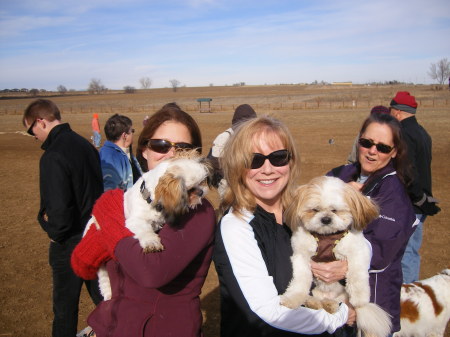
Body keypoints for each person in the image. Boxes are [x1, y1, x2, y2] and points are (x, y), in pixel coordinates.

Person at [71, 103, 216, 337]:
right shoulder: (133, 197)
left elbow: (151, 272)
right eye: (160, 145)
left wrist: (109, 220)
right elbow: (84, 262)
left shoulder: (197, 211)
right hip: (109, 324)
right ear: (144, 150)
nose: (170, 154)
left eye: (183, 148)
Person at [213, 116, 355, 337]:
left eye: (278, 157)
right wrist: (341, 316)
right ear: (237, 166)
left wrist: (347, 264)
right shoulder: (237, 226)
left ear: (291, 161)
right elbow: (268, 313)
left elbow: (355, 238)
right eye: (254, 160)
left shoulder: (303, 210)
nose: (268, 169)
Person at [322, 112, 417, 334]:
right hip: (337, 296)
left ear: (394, 152)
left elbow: (381, 251)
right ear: (359, 141)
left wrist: (356, 203)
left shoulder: (393, 193)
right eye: (366, 143)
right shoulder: (341, 174)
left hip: (373, 296)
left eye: (383, 148)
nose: (372, 151)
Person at [22, 99, 104, 337]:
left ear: (41, 122)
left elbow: (59, 212)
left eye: (31, 131)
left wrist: (55, 234)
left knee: (64, 310)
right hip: (95, 236)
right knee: (106, 301)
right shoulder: (85, 145)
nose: (33, 136)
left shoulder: (53, 156)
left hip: (69, 243)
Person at [389, 91, 440, 283]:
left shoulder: (404, 134)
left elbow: (407, 171)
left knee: (406, 252)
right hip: (421, 200)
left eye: (391, 109)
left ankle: (406, 295)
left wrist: (417, 197)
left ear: (399, 112)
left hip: (411, 203)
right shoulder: (422, 132)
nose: (390, 113)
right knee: (411, 250)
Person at [207, 104, 257, 195]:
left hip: (245, 179)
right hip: (227, 182)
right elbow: (215, 162)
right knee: (229, 205)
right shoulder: (224, 137)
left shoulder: (251, 135)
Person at [99, 114, 142, 191]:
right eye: (132, 131)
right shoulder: (109, 156)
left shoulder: (125, 152)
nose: (133, 133)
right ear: (124, 136)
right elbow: (110, 189)